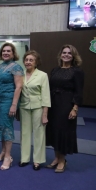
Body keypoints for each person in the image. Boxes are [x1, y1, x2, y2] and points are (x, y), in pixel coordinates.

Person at [46, 45, 84, 173]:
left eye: (69, 53)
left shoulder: (77, 71)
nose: (66, 55)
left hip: (67, 104)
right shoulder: (55, 70)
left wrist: (75, 108)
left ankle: (62, 160)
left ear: (73, 56)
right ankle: (56, 157)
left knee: (63, 131)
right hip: (53, 104)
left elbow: (79, 92)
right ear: (60, 54)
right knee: (54, 130)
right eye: (64, 52)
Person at [0, 43, 24, 170]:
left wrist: (14, 104)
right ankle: (3, 151)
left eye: (8, 51)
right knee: (1, 127)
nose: (6, 53)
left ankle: (8, 157)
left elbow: (19, 87)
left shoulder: (16, 67)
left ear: (13, 53)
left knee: (7, 127)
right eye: (4, 51)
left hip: (9, 101)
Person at [19, 50, 51, 171]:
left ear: (36, 62)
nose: (28, 62)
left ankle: (37, 160)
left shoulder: (42, 75)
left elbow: (46, 96)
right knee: (24, 133)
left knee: (39, 135)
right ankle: (24, 158)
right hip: (24, 107)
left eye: (31, 60)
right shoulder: (20, 74)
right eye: (26, 60)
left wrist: (45, 114)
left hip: (38, 107)